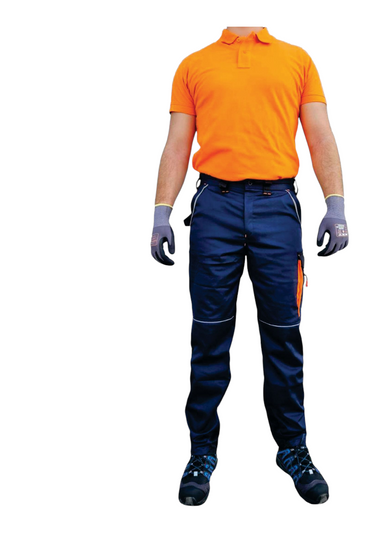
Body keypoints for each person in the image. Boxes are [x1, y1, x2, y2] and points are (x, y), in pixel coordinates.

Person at [151, 26, 348, 506]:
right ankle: (201, 453)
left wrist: (336, 203)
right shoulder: (194, 64)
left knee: (283, 334)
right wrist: (161, 211)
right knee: (209, 334)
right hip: (214, 206)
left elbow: (319, 134)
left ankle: (293, 449)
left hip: (276, 206)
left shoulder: (297, 60)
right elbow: (177, 143)